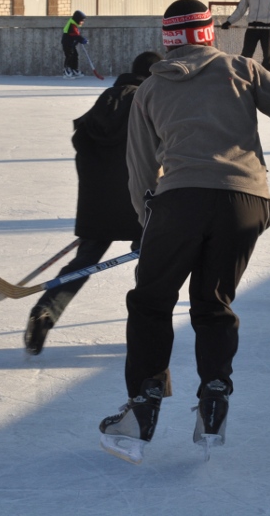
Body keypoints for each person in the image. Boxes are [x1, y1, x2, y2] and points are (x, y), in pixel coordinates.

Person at [98, 0, 270, 464]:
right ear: (208, 34)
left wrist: (150, 225)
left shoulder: (149, 90)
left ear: (167, 41)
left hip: (178, 202)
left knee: (151, 302)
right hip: (245, 203)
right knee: (212, 302)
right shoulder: (242, 69)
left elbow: (140, 173)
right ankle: (214, 396)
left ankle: (143, 406)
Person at [24, 51, 163, 355]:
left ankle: (46, 310)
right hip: (142, 201)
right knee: (151, 264)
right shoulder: (151, 100)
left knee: (83, 262)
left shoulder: (107, 99)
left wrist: (96, 196)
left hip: (97, 203)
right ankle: (145, 331)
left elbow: (81, 144)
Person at [61, 10, 87, 79]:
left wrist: (80, 39)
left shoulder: (74, 24)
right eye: (82, 20)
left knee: (75, 55)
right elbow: (75, 35)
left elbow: (76, 35)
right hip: (67, 43)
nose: (82, 22)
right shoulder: (72, 25)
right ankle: (66, 71)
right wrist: (82, 40)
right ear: (77, 19)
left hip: (72, 44)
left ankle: (74, 69)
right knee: (69, 56)